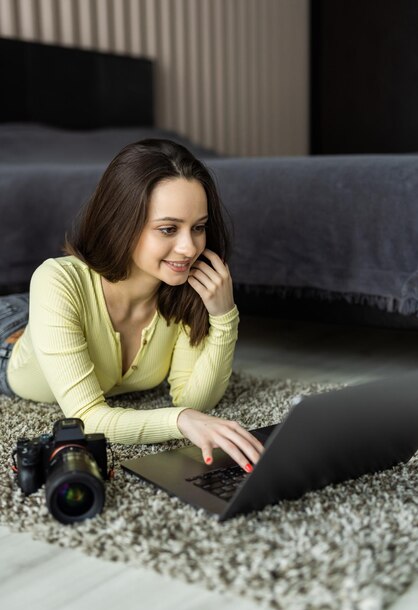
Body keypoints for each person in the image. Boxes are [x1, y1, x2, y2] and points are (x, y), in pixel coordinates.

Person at [0, 139, 263, 473]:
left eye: (198, 227)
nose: (189, 247)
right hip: (10, 337)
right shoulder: (56, 280)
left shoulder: (180, 287)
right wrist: (179, 422)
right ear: (122, 222)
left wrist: (225, 316)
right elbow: (88, 418)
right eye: (168, 229)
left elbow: (194, 399)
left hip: (55, 313)